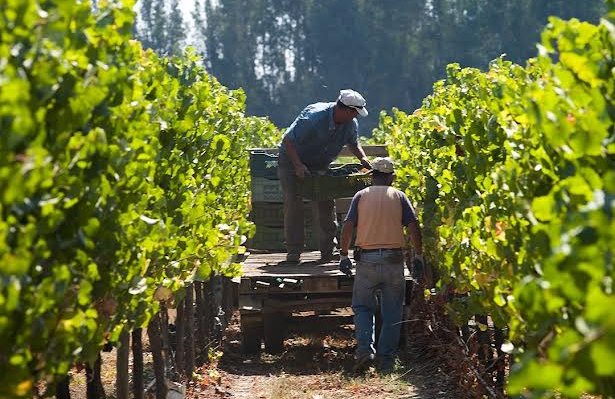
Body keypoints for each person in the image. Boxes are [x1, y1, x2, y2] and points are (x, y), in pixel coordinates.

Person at [338, 157, 424, 373]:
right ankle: (386, 359)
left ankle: (365, 350)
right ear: (391, 178)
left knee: (362, 306)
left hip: (366, 259)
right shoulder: (399, 196)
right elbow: (413, 226)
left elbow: (348, 226)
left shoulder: (361, 196)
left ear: (372, 176)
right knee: (393, 310)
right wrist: (418, 256)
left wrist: (343, 254)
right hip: (394, 260)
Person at [277, 89, 372, 263]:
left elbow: (353, 142)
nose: (355, 117)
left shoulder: (350, 124)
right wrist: (298, 165)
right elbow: (288, 140)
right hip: (291, 161)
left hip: (319, 164)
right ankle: (294, 251)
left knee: (325, 203)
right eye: (354, 113)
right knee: (293, 203)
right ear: (345, 109)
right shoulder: (314, 118)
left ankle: (329, 251)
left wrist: (363, 158)